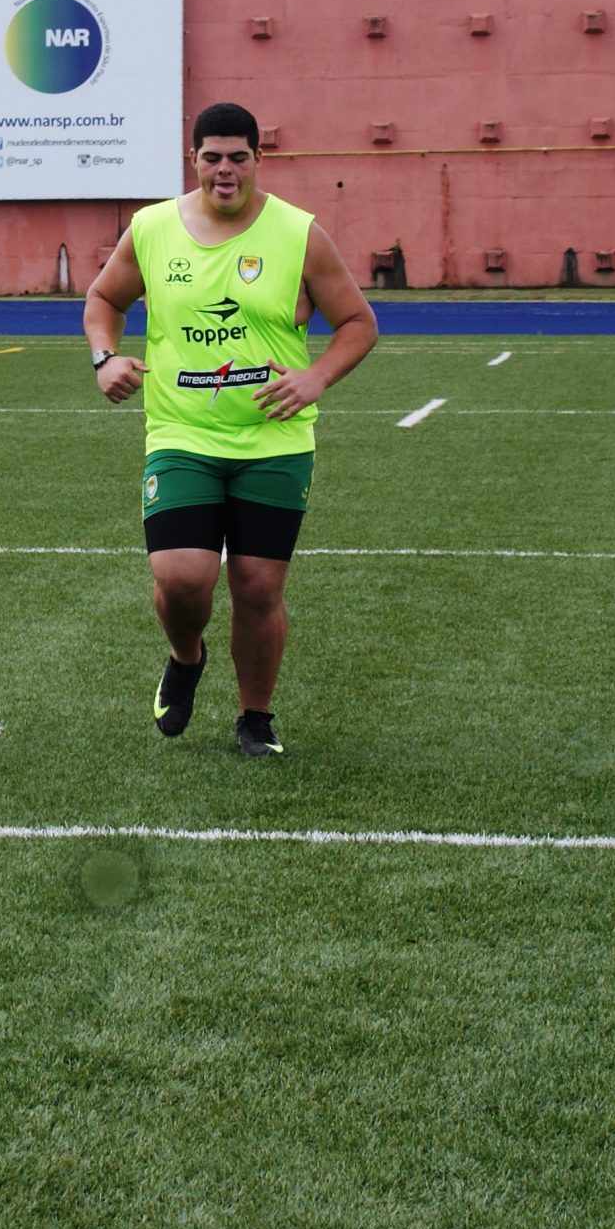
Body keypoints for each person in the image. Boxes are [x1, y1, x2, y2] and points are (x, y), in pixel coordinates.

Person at [83, 102, 380, 757]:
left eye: (237, 157)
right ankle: (186, 658)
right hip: (182, 434)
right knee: (183, 576)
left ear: (257, 160)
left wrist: (316, 378)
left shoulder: (298, 233)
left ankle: (255, 717)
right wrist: (105, 358)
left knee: (257, 586)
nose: (224, 170)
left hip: (274, 441)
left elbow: (358, 323)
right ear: (194, 160)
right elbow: (104, 300)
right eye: (211, 157)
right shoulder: (153, 228)